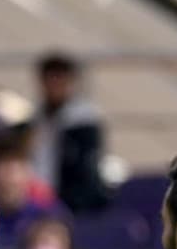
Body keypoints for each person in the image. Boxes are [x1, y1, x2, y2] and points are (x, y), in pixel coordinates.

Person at [14, 53, 111, 214]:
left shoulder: (84, 124)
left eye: (59, 80)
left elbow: (85, 172)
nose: (54, 87)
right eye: (49, 80)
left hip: (71, 202)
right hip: (34, 198)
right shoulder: (32, 122)